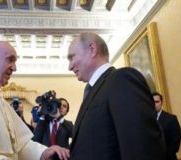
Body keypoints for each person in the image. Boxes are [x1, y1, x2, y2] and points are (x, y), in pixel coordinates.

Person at [67, 32, 166, 160]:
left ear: (92, 49)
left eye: (72, 57)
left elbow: (142, 148)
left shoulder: (122, 79)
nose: (69, 66)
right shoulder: (94, 90)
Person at [153, 92, 181, 160]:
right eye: (152, 102)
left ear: (161, 102)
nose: (154, 104)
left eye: (157, 102)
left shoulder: (171, 119)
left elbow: (175, 143)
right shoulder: (146, 120)